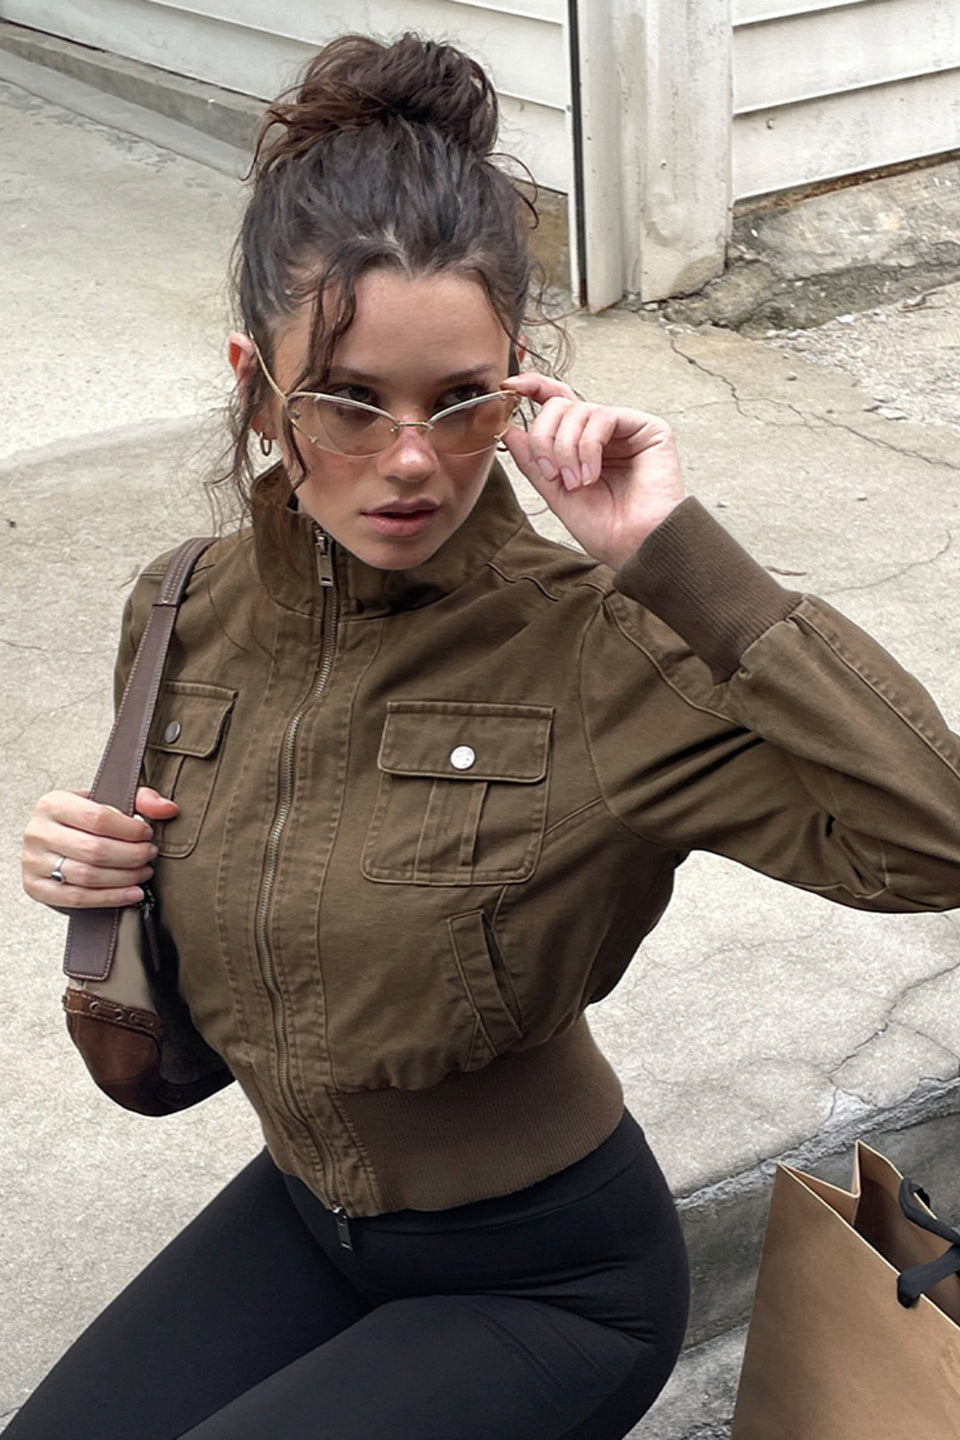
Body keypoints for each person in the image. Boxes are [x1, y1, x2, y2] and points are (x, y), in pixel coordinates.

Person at [16, 30, 960, 1440]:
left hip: (552, 1280)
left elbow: (934, 845)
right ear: (256, 384)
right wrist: (95, 871)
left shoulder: (604, 643)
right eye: (351, 400)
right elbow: (218, 937)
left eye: (459, 400)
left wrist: (678, 559)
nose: (410, 459)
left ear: (522, 383)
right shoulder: (181, 607)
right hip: (308, 1213)